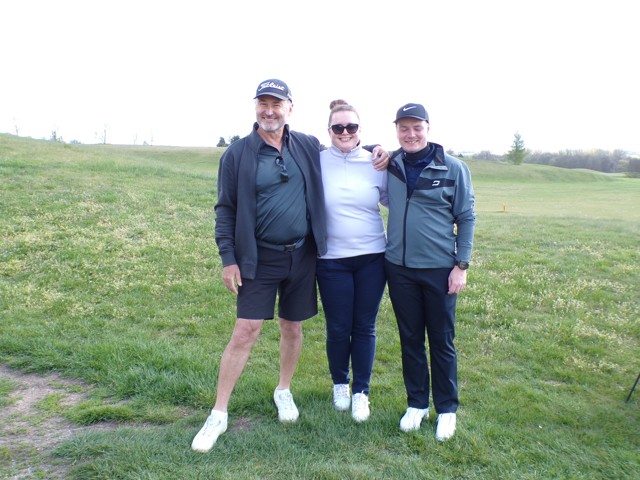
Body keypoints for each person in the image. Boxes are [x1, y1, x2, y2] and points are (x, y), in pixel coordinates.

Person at [192, 80, 388, 453]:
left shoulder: (306, 145)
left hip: (302, 256)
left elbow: (347, 143)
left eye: (277, 104)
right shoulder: (237, 154)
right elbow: (226, 209)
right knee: (245, 331)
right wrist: (228, 258)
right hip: (259, 257)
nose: (270, 110)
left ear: (289, 108)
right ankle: (218, 413)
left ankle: (284, 390)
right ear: (255, 107)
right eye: (263, 103)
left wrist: (380, 150)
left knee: (292, 326)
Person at [384, 103, 475, 441]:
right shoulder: (390, 163)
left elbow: (466, 217)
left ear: (427, 128)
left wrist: (461, 266)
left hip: (439, 269)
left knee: (441, 340)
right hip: (399, 268)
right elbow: (359, 148)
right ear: (396, 130)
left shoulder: (453, 168)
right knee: (410, 339)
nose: (410, 134)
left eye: (416, 127)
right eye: (404, 128)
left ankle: (447, 409)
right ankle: (417, 404)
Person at [316, 100, 388, 422]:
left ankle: (361, 391)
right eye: (338, 127)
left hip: (372, 258)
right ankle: (340, 384)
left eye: (352, 127)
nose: (345, 132)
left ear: (360, 130)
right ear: (329, 130)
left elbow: (394, 200)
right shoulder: (316, 162)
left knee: (364, 326)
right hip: (332, 260)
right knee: (338, 327)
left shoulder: (376, 163)